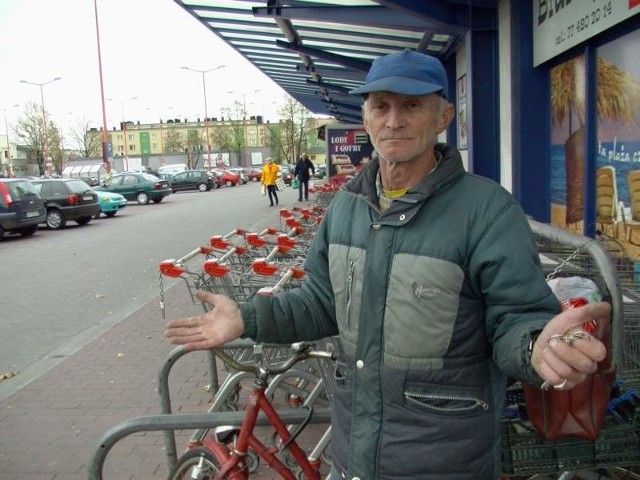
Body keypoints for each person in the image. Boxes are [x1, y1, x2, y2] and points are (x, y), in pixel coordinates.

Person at [165, 49, 610, 480]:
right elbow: (320, 303)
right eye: (381, 106)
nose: (394, 120)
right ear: (366, 117)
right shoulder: (346, 207)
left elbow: (516, 317)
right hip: (352, 457)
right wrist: (246, 318)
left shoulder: (487, 210)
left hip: (443, 464)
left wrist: (537, 346)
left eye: (412, 106)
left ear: (443, 118)